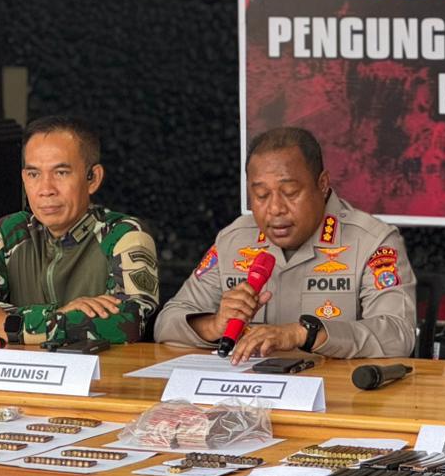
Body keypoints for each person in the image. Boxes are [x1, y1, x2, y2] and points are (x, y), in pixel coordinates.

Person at [154, 126, 417, 364]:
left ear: (322, 184)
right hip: (247, 392)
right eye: (261, 195)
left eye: (290, 193)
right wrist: (214, 325)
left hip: (337, 395)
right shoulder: (234, 240)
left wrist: (303, 334)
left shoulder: (371, 241)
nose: (275, 209)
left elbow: (398, 335)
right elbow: (166, 323)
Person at [0, 116, 159, 346]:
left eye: (61, 173)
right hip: (20, 368)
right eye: (34, 174)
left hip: (101, 369)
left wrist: (11, 325)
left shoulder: (124, 235)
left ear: (93, 179)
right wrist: (57, 315)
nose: (45, 189)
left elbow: (129, 322)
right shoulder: (10, 232)